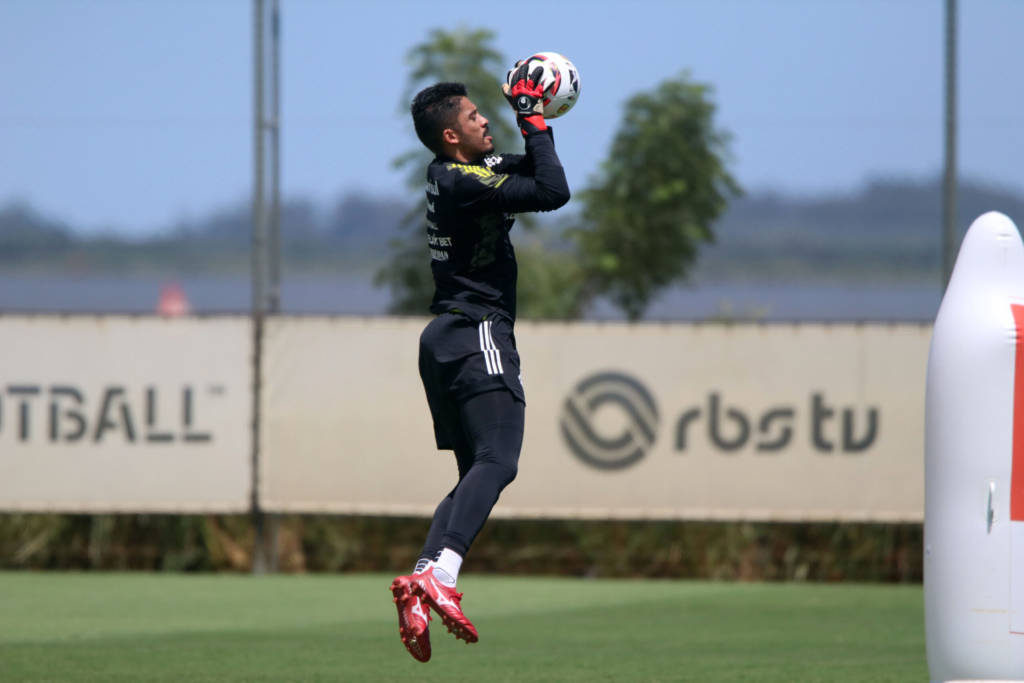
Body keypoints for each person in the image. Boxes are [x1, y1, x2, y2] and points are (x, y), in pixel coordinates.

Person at [389, 63, 570, 663]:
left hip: (444, 339)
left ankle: (422, 581)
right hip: (478, 332)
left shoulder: (454, 173)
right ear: (451, 136)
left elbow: (526, 169)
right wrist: (534, 121)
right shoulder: (464, 183)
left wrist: (533, 121)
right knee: (499, 460)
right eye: (473, 115)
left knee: (474, 472)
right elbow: (552, 192)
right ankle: (444, 574)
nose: (485, 119)